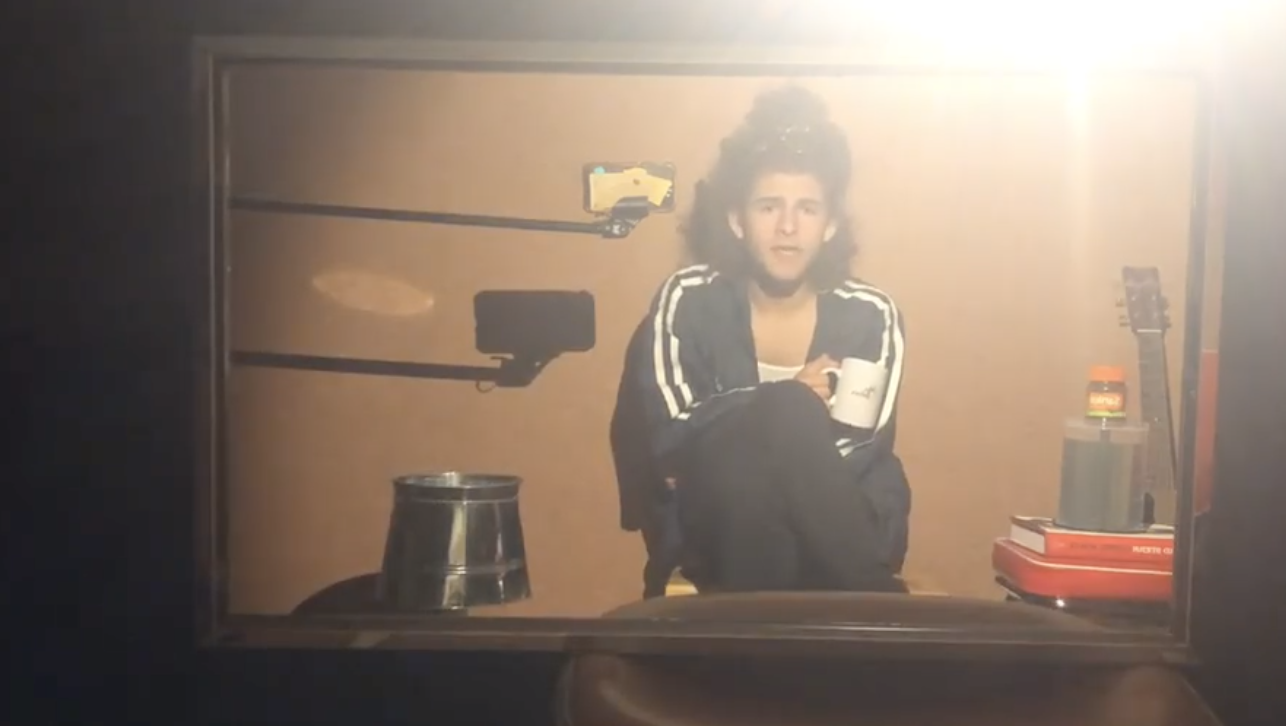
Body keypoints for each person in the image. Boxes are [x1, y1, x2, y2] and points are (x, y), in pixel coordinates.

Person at [610, 85, 911, 597]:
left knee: (781, 423)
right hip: (722, 527)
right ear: (737, 221)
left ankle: (781, 619)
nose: (788, 227)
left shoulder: (869, 312)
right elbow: (673, 436)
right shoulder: (688, 298)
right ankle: (877, 602)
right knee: (763, 435)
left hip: (840, 526)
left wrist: (773, 415)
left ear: (830, 225)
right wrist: (782, 396)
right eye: (769, 207)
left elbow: (861, 447)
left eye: (807, 209)